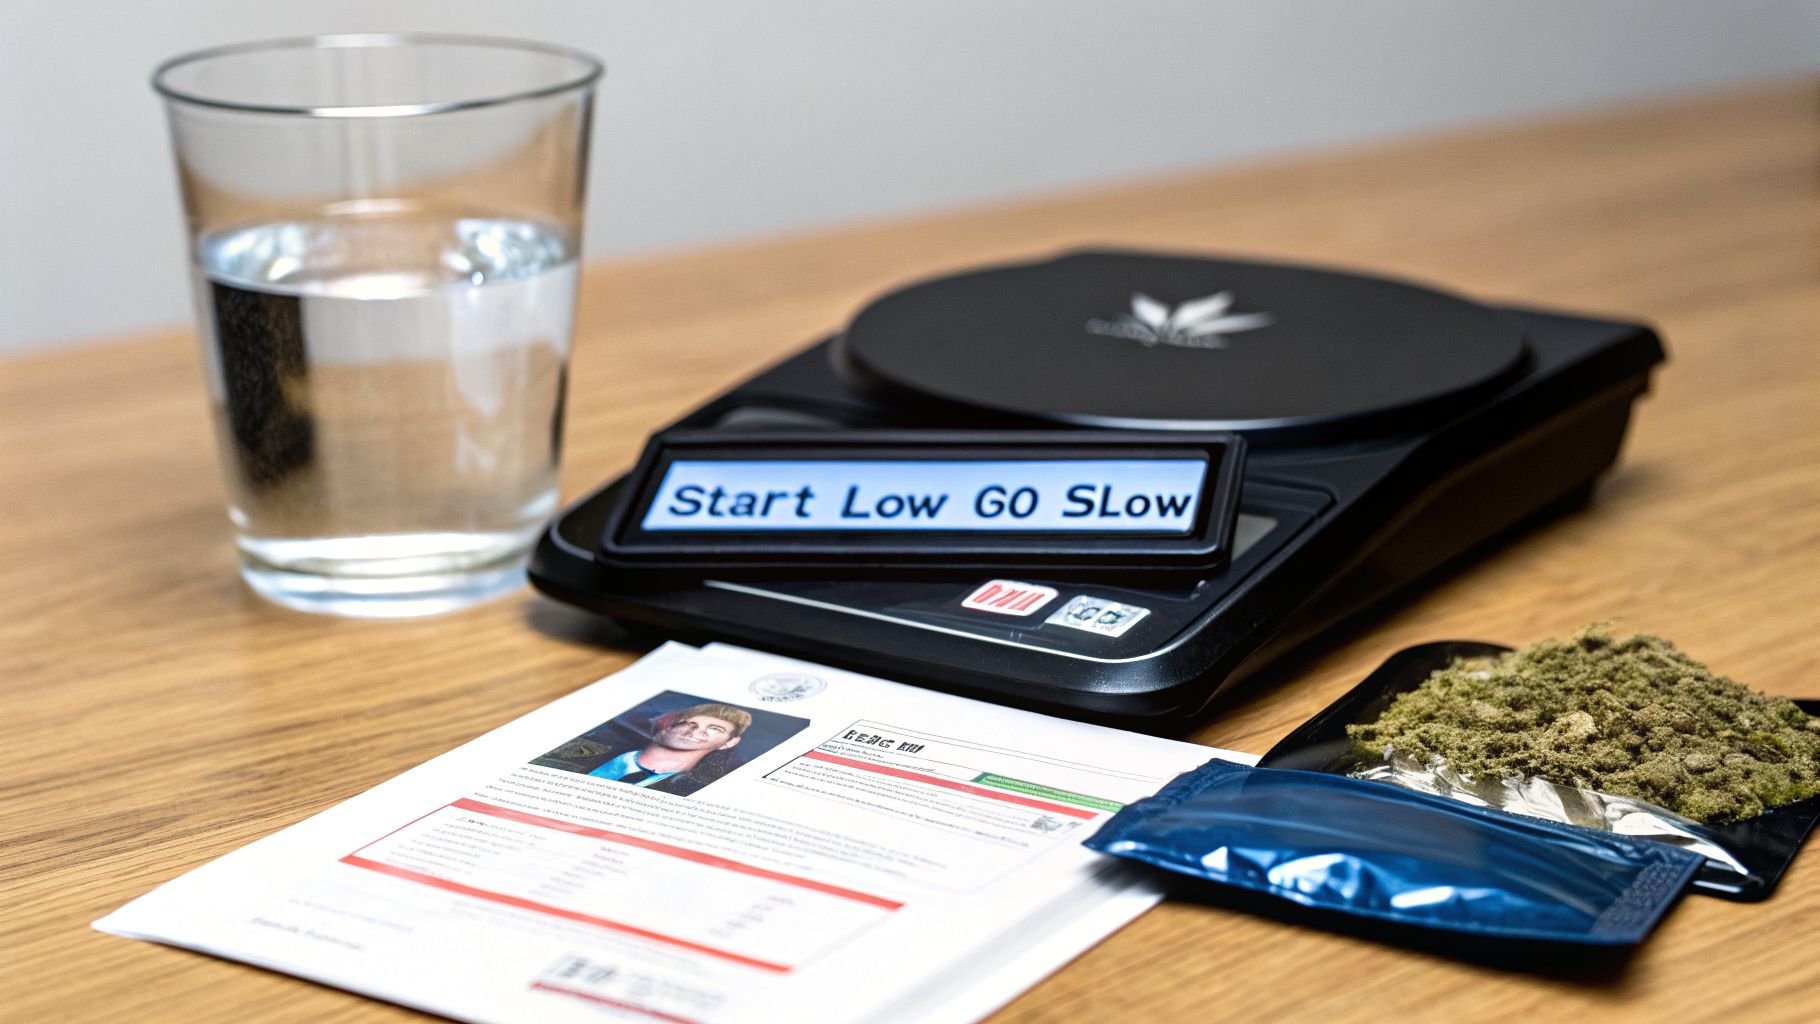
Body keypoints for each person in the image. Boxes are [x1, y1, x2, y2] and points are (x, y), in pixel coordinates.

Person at [533, 703, 754, 796]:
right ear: (668, 725)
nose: (696, 732)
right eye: (689, 724)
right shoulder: (574, 751)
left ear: (729, 742)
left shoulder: (692, 790)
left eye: (714, 729)